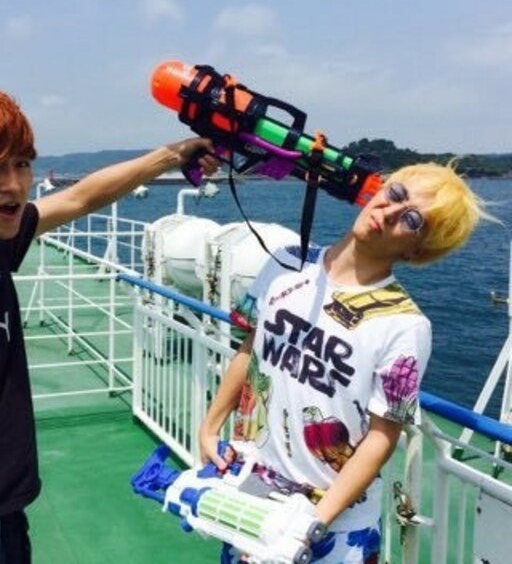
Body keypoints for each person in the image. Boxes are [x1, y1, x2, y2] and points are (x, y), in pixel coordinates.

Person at [0, 86, 217, 564]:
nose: (15, 184)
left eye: (22, 164)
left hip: (1, 518)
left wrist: (172, 155)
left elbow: (80, 198)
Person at [199, 161, 492, 563]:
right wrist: (210, 427)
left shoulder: (406, 325)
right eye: (396, 194)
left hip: (331, 525)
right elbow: (250, 348)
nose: (389, 212)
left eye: (411, 220)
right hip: (250, 489)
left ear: (417, 251)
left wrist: (311, 524)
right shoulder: (285, 262)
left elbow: (382, 435)